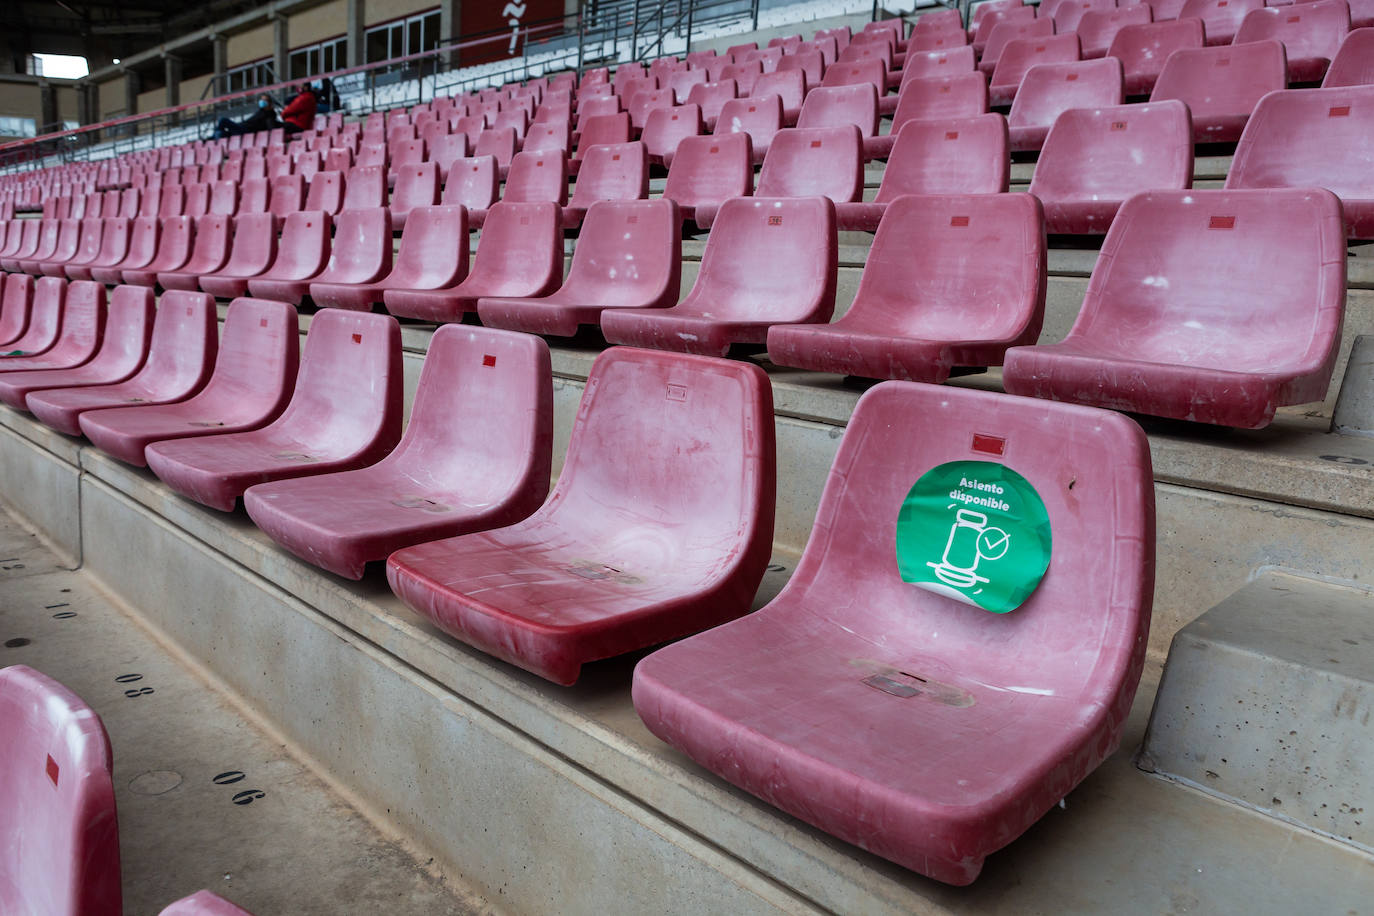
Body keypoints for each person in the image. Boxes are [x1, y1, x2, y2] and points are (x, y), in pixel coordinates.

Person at [214, 94, 278, 139]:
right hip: (242, 127)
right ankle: (213, 139)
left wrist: (270, 109)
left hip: (247, 131)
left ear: (269, 103)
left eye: (265, 100)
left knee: (223, 120)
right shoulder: (260, 111)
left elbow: (270, 126)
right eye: (261, 100)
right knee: (220, 133)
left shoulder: (270, 114)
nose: (262, 102)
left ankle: (213, 138)